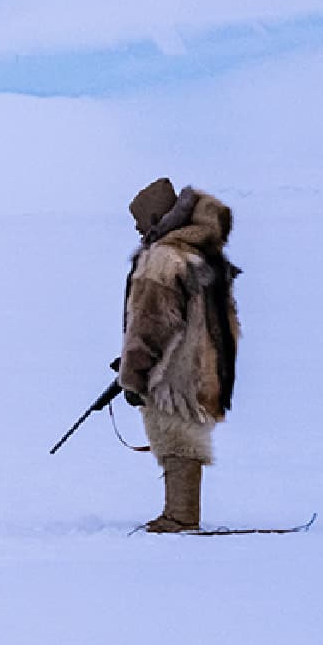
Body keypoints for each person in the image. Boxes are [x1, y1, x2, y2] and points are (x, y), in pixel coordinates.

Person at [118, 177, 239, 534]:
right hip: (207, 363)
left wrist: (134, 373)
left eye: (140, 220)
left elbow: (150, 325)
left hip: (175, 368)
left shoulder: (163, 258)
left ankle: (180, 516)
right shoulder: (201, 252)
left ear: (155, 218)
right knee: (183, 436)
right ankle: (179, 512)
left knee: (174, 437)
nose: (138, 228)